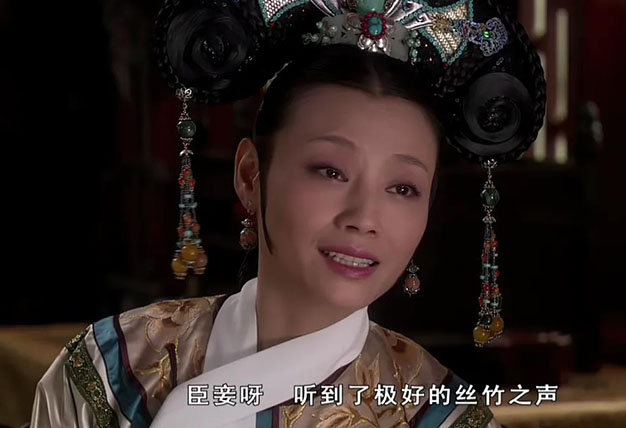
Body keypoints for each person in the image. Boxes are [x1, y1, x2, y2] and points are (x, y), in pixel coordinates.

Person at [28, 0, 546, 427]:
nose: (364, 217)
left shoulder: (440, 417)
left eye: (403, 187)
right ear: (251, 175)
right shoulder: (111, 371)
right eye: (330, 171)